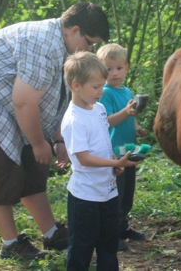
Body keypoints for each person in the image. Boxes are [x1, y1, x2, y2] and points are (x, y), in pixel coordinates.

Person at [0, 2, 110, 260]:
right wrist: (39, 143)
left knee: (33, 165)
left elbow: (54, 99)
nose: (91, 49)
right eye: (90, 42)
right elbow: (24, 101)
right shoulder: (42, 43)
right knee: (0, 166)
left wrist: (56, 139)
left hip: (7, 102)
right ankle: (11, 244)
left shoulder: (63, 47)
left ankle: (52, 233)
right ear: (75, 30)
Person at [61, 51, 140, 271]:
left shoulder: (99, 109)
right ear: (76, 85)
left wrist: (115, 161)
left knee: (108, 245)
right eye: (96, 87)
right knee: (81, 248)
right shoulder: (75, 119)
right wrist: (115, 164)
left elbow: (104, 141)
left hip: (108, 192)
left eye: (101, 86)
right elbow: (84, 158)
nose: (101, 91)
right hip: (85, 197)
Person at [96, 43, 148, 251]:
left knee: (127, 194)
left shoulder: (127, 91)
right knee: (115, 194)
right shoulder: (105, 93)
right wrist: (126, 113)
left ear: (126, 67)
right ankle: (110, 233)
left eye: (118, 68)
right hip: (113, 152)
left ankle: (123, 227)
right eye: (108, 69)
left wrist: (136, 128)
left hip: (129, 150)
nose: (114, 73)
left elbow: (130, 117)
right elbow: (107, 121)